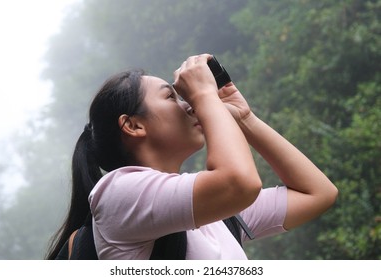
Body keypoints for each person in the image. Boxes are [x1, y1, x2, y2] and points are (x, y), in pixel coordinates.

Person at [46, 54, 338, 260]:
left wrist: (246, 119)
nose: (188, 105)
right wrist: (205, 96)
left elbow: (318, 193)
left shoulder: (216, 215)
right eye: (171, 97)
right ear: (133, 125)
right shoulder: (117, 194)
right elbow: (239, 183)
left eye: (183, 96)